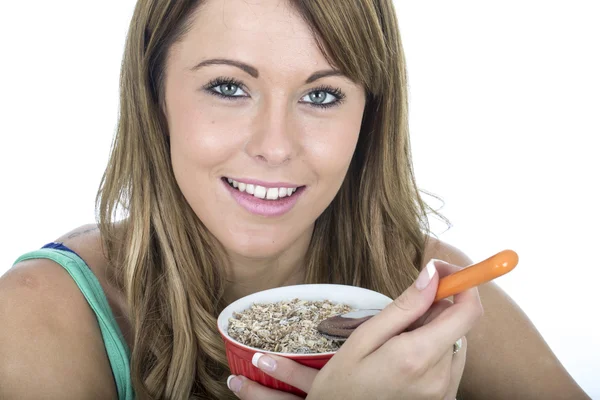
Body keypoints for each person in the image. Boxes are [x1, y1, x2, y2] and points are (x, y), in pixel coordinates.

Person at [0, 0, 589, 399]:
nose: (276, 147)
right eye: (229, 87)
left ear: (370, 116)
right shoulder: (39, 316)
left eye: (323, 95)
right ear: (155, 97)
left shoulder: (426, 290)